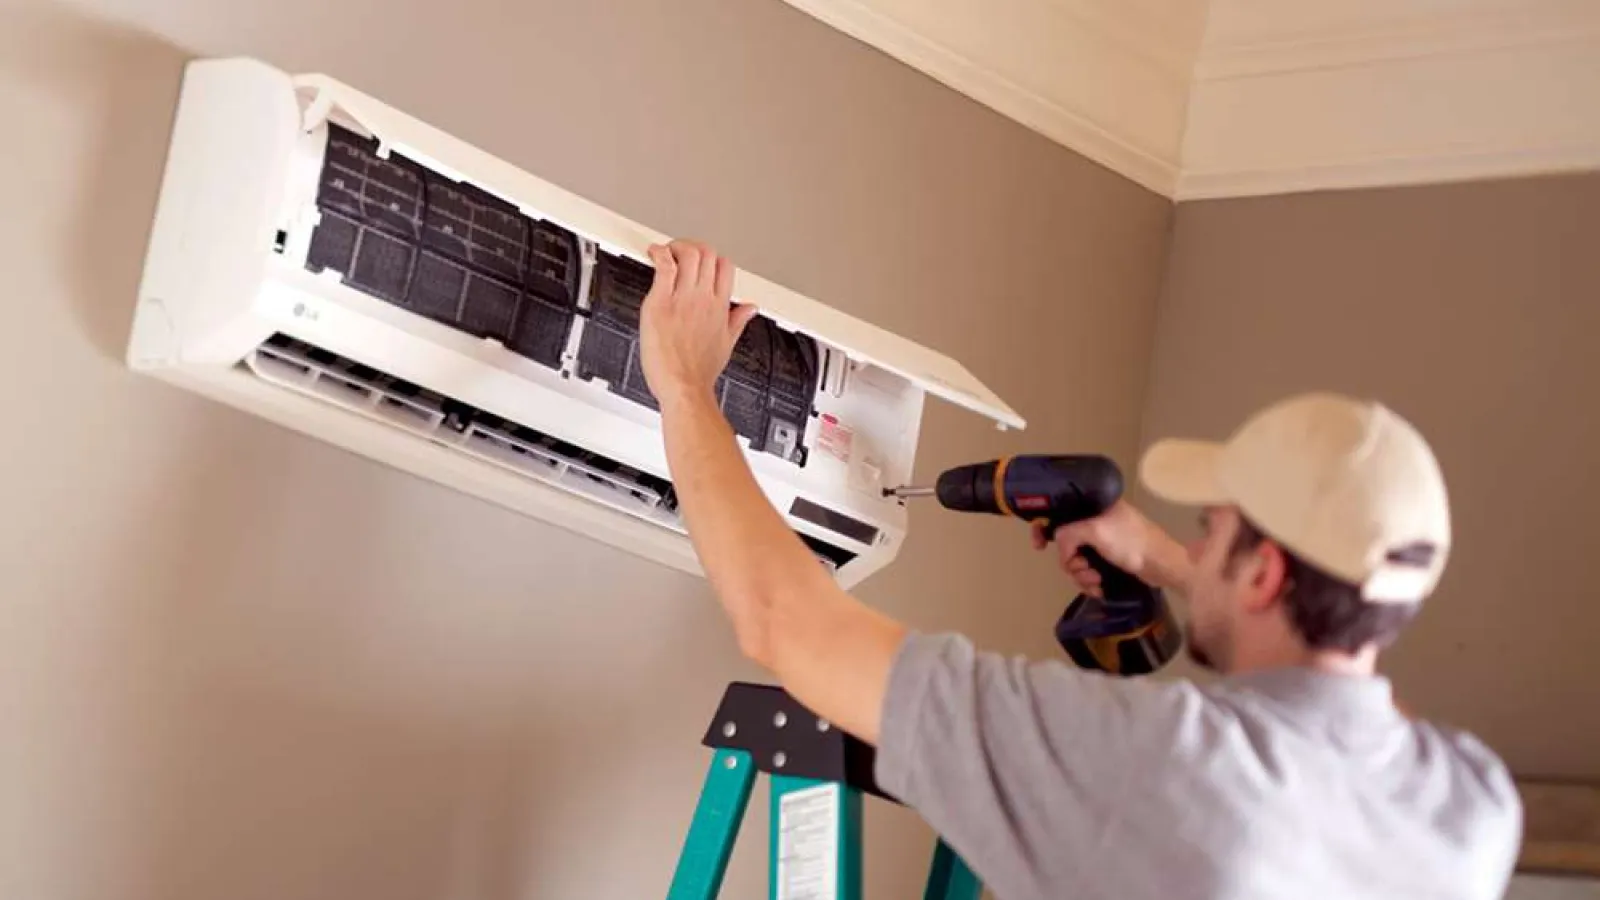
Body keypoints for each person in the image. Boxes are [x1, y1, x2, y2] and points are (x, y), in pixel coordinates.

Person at [636, 239, 1522, 899]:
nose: (1195, 544)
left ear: (1263, 578)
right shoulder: (1473, 804)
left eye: (1210, 530)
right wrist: (1177, 565)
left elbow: (786, 627)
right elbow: (1356, 710)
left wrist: (682, 382)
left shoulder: (1164, 761)